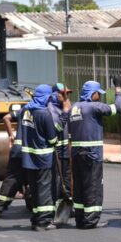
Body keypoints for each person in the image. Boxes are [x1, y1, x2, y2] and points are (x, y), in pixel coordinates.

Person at [69, 80, 121, 229]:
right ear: (92, 94)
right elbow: (118, 107)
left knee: (79, 187)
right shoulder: (94, 107)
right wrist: (118, 90)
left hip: (76, 154)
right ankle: (91, 220)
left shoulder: (74, 108)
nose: (99, 96)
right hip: (92, 154)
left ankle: (80, 219)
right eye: (98, 93)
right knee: (93, 187)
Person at [19, 84, 58, 231]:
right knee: (44, 190)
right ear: (46, 97)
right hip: (43, 158)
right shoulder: (44, 114)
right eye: (49, 98)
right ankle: (44, 221)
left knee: (34, 189)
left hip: (29, 158)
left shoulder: (26, 110)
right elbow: (52, 139)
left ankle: (35, 219)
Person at [0, 106, 26, 218]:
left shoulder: (23, 109)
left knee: (11, 178)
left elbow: (6, 117)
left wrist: (11, 135)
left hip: (17, 149)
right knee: (36, 178)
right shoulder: (43, 111)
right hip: (31, 152)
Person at [49, 83, 73, 219]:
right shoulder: (51, 110)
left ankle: (68, 207)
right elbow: (56, 129)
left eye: (68, 94)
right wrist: (65, 110)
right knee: (57, 183)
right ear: (55, 94)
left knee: (67, 181)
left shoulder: (65, 108)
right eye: (64, 94)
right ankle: (55, 210)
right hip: (56, 153)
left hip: (66, 152)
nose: (67, 97)